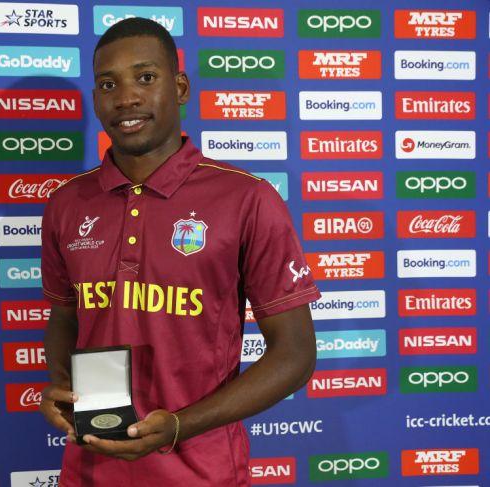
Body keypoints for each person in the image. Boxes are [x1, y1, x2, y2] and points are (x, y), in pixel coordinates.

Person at [39, 17, 320, 486]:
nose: (126, 97)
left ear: (181, 87)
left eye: (145, 78)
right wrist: (64, 390)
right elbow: (66, 318)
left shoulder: (247, 198)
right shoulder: (68, 203)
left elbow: (295, 354)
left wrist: (177, 426)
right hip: (89, 471)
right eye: (108, 84)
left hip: (202, 472)